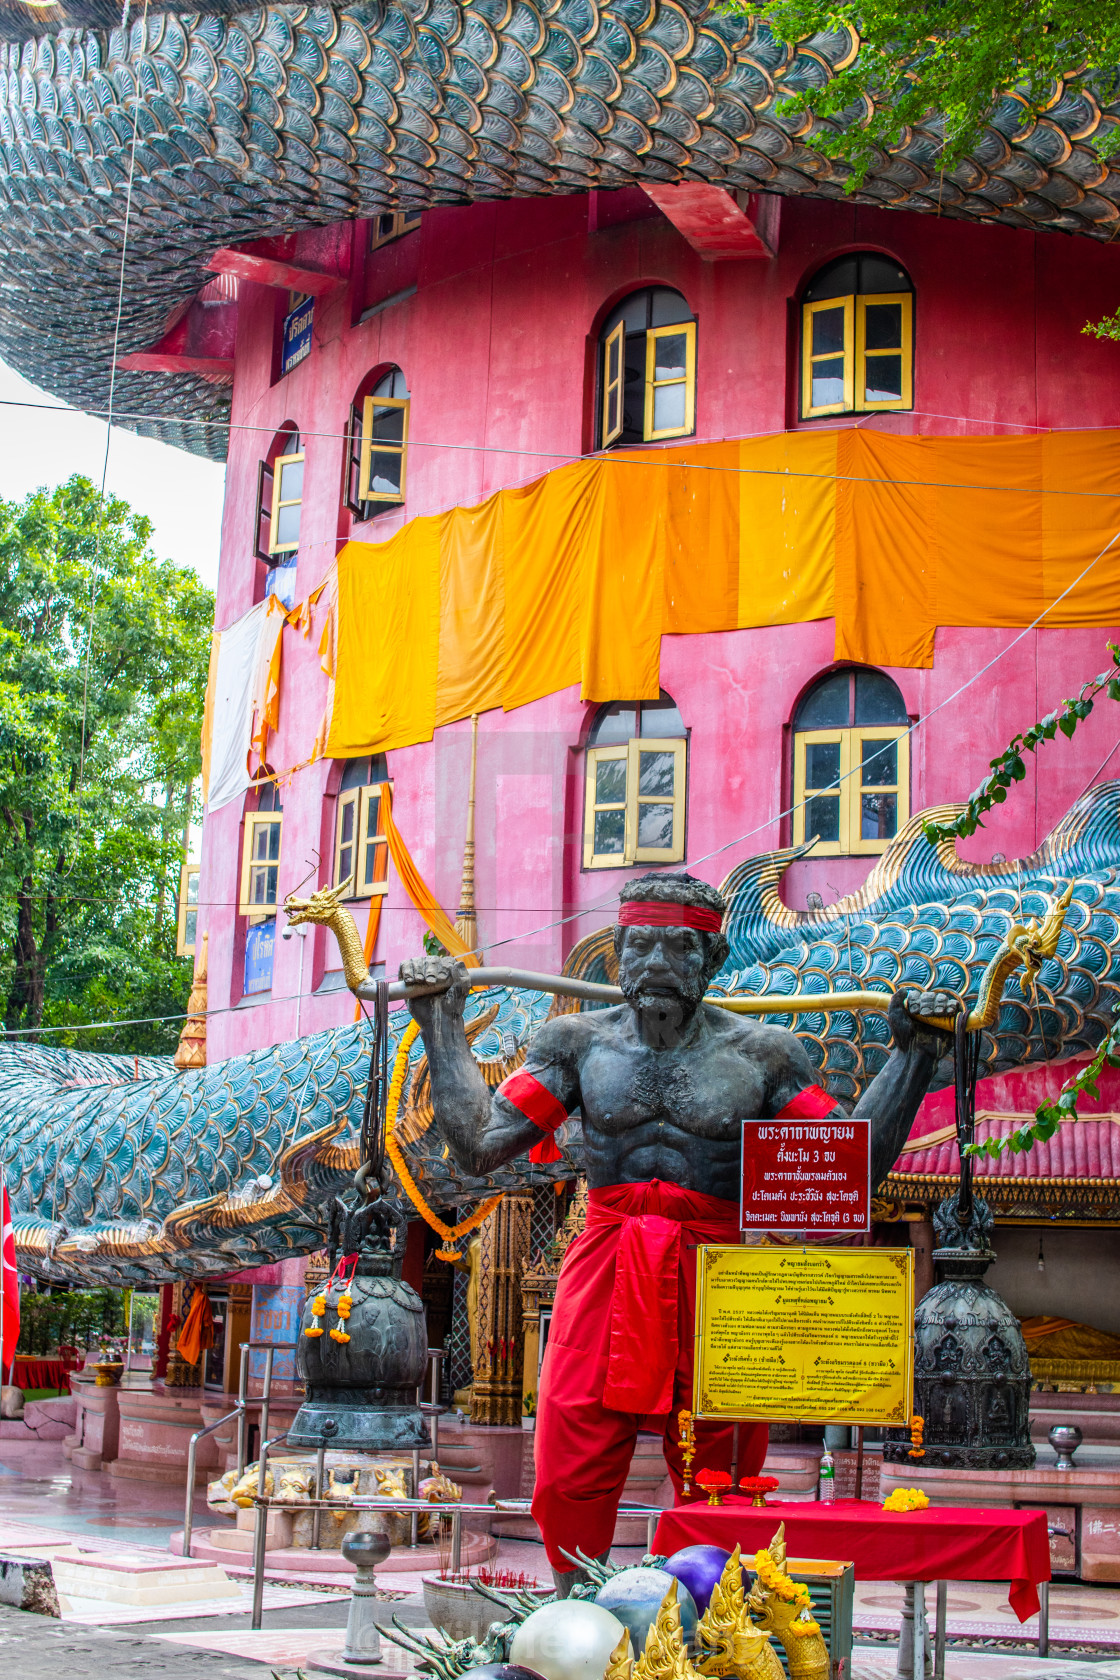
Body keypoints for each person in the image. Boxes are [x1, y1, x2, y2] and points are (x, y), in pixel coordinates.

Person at [400, 872, 958, 1588]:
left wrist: (915, 1056)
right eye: (641, 946)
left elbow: (850, 1165)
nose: (657, 964)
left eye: (678, 948)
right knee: (570, 1450)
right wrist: (439, 1024)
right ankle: (575, 1616)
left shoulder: (764, 1053)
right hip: (607, 1259)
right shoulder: (574, 1044)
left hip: (719, 1271)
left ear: (714, 959)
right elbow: (480, 1143)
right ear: (618, 954)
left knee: (720, 1463)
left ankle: (709, 1621)